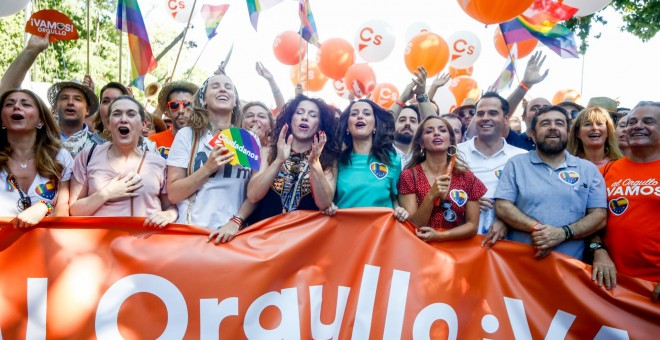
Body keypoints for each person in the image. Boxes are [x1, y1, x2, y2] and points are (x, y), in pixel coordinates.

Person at [495, 106, 607, 260]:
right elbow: (502, 205)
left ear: (568, 133)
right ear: (533, 134)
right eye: (545, 124)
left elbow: (599, 215)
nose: (553, 127)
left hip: (571, 270)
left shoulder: (588, 169)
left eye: (559, 123)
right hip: (520, 268)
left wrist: (562, 233)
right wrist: (539, 230)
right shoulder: (516, 164)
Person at [167, 74, 253, 243]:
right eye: (215, 86)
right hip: (193, 234)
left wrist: (236, 221)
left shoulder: (247, 139)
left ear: (235, 102)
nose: (222, 89)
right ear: (204, 100)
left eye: (229, 87)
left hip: (235, 236)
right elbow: (174, 194)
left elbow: (255, 193)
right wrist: (208, 168)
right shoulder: (188, 135)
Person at [589, 101, 660, 300]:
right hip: (611, 284)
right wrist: (598, 251)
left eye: (648, 121)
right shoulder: (606, 171)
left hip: (654, 288)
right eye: (632, 122)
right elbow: (591, 219)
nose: (637, 126)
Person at [69, 96, 176, 227]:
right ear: (108, 123)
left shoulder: (159, 163)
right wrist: (106, 194)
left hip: (146, 243)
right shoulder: (87, 155)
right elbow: (74, 210)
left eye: (131, 114)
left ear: (143, 124)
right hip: (101, 244)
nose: (123, 119)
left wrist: (169, 214)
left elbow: (171, 206)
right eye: (117, 114)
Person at [247, 95, 339, 224]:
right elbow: (252, 195)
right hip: (264, 237)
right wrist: (278, 161)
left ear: (319, 126)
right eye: (299, 112)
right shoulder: (268, 152)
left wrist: (315, 164)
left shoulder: (328, 159)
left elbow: (324, 203)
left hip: (302, 239)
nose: (305, 117)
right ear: (290, 120)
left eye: (313, 115)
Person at [399, 116, 486, 242]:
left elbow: (472, 226)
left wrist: (439, 236)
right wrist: (431, 195)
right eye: (429, 131)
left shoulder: (466, 176)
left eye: (442, 130)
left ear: (451, 140)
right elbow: (413, 226)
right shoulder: (409, 175)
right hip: (418, 248)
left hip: (453, 253)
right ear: (421, 143)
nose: (436, 133)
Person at [457, 92, 527, 247]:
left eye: (493, 113)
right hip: (462, 242)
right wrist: (466, 200)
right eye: (480, 114)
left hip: (506, 245)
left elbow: (531, 200)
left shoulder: (522, 157)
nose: (485, 118)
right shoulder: (456, 153)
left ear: (506, 119)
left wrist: (506, 221)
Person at [0, 89, 73, 228]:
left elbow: (64, 208)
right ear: (2, 121)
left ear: (41, 120)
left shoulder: (59, 156)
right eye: (9, 104)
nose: (16, 106)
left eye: (26, 104)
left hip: (44, 246)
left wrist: (45, 207)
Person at [332, 99, 408, 221]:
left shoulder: (392, 159)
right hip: (344, 232)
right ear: (347, 127)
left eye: (366, 113)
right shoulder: (336, 160)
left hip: (379, 235)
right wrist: (329, 205)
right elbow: (328, 198)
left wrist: (399, 209)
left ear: (376, 126)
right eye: (354, 114)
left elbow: (395, 198)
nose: (360, 116)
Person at [47, 80, 100, 158]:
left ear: (87, 110)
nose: (70, 102)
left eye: (77, 99)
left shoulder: (96, 144)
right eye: (64, 98)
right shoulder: (43, 138)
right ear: (55, 107)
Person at [148, 81, 198, 159]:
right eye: (174, 105)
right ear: (167, 111)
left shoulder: (204, 142)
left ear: (195, 109)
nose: (181, 110)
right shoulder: (152, 142)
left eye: (187, 104)